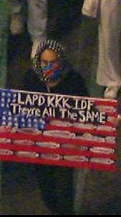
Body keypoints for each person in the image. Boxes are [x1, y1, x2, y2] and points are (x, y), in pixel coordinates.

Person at [21, 40, 87, 214]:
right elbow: (18, 105)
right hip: (40, 144)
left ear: (61, 61)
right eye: (44, 62)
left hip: (65, 144)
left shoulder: (74, 80)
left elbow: (88, 109)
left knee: (64, 189)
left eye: (53, 62)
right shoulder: (31, 79)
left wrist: (109, 120)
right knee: (46, 188)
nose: (48, 66)